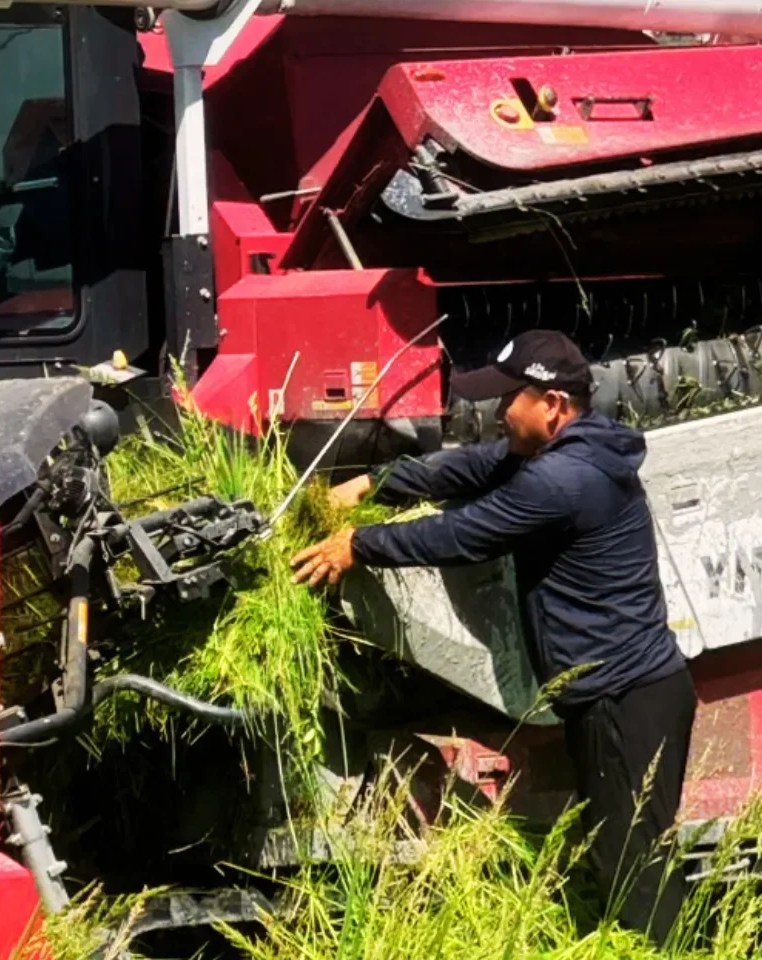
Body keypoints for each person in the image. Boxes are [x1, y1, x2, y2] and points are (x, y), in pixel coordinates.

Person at [290, 329, 696, 944]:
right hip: (634, 694)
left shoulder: (562, 482)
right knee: (626, 860)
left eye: (511, 398)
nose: (499, 412)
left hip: (623, 701)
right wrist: (377, 482)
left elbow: (464, 536)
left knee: (633, 876)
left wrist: (359, 545)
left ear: (554, 405)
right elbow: (473, 467)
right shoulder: (571, 452)